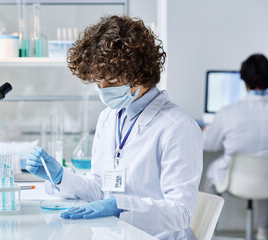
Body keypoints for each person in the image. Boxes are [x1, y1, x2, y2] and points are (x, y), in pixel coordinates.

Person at [27, 15, 202, 240]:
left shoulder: (177, 127)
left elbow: (181, 213)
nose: (103, 90)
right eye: (98, 82)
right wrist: (60, 177)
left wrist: (119, 205)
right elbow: (100, 189)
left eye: (110, 81)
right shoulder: (109, 118)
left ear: (139, 72)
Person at [203, 53, 268, 240]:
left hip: (234, 181)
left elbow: (209, 144)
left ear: (244, 81)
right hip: (266, 183)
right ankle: (264, 231)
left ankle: (209, 230)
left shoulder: (227, 113)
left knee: (211, 171)